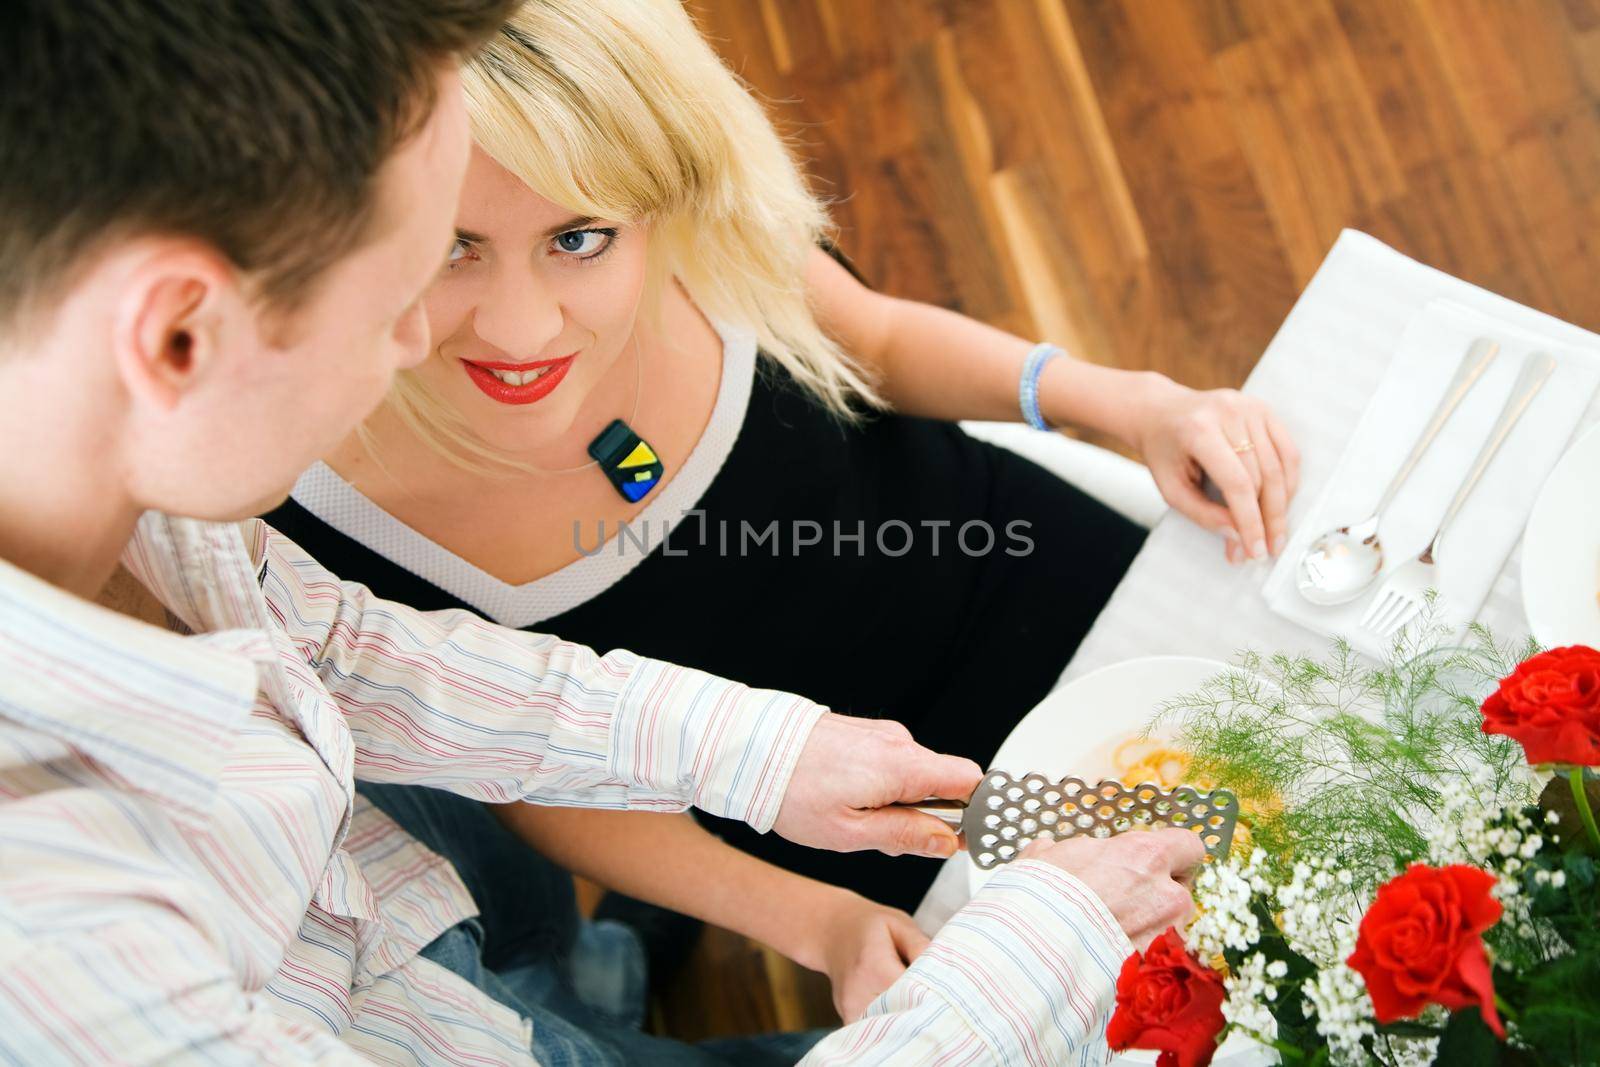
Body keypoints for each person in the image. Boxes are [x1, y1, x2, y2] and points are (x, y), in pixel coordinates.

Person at [0, 2, 1203, 1065]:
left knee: (554, 965)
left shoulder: (160, 503)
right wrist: (1040, 941)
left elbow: (344, 649)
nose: (432, 343)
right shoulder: (61, 947)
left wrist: (763, 751)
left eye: (578, 236)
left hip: (432, 944)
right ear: (175, 336)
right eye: (397, 289)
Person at [264, 0, 1301, 920]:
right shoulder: (301, 502)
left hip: (1030, 573)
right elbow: (539, 772)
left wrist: (1130, 402)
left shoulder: (706, 239)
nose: (523, 327)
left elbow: (880, 344)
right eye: (452, 247)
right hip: (871, 824)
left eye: (580, 237)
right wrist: (816, 921)